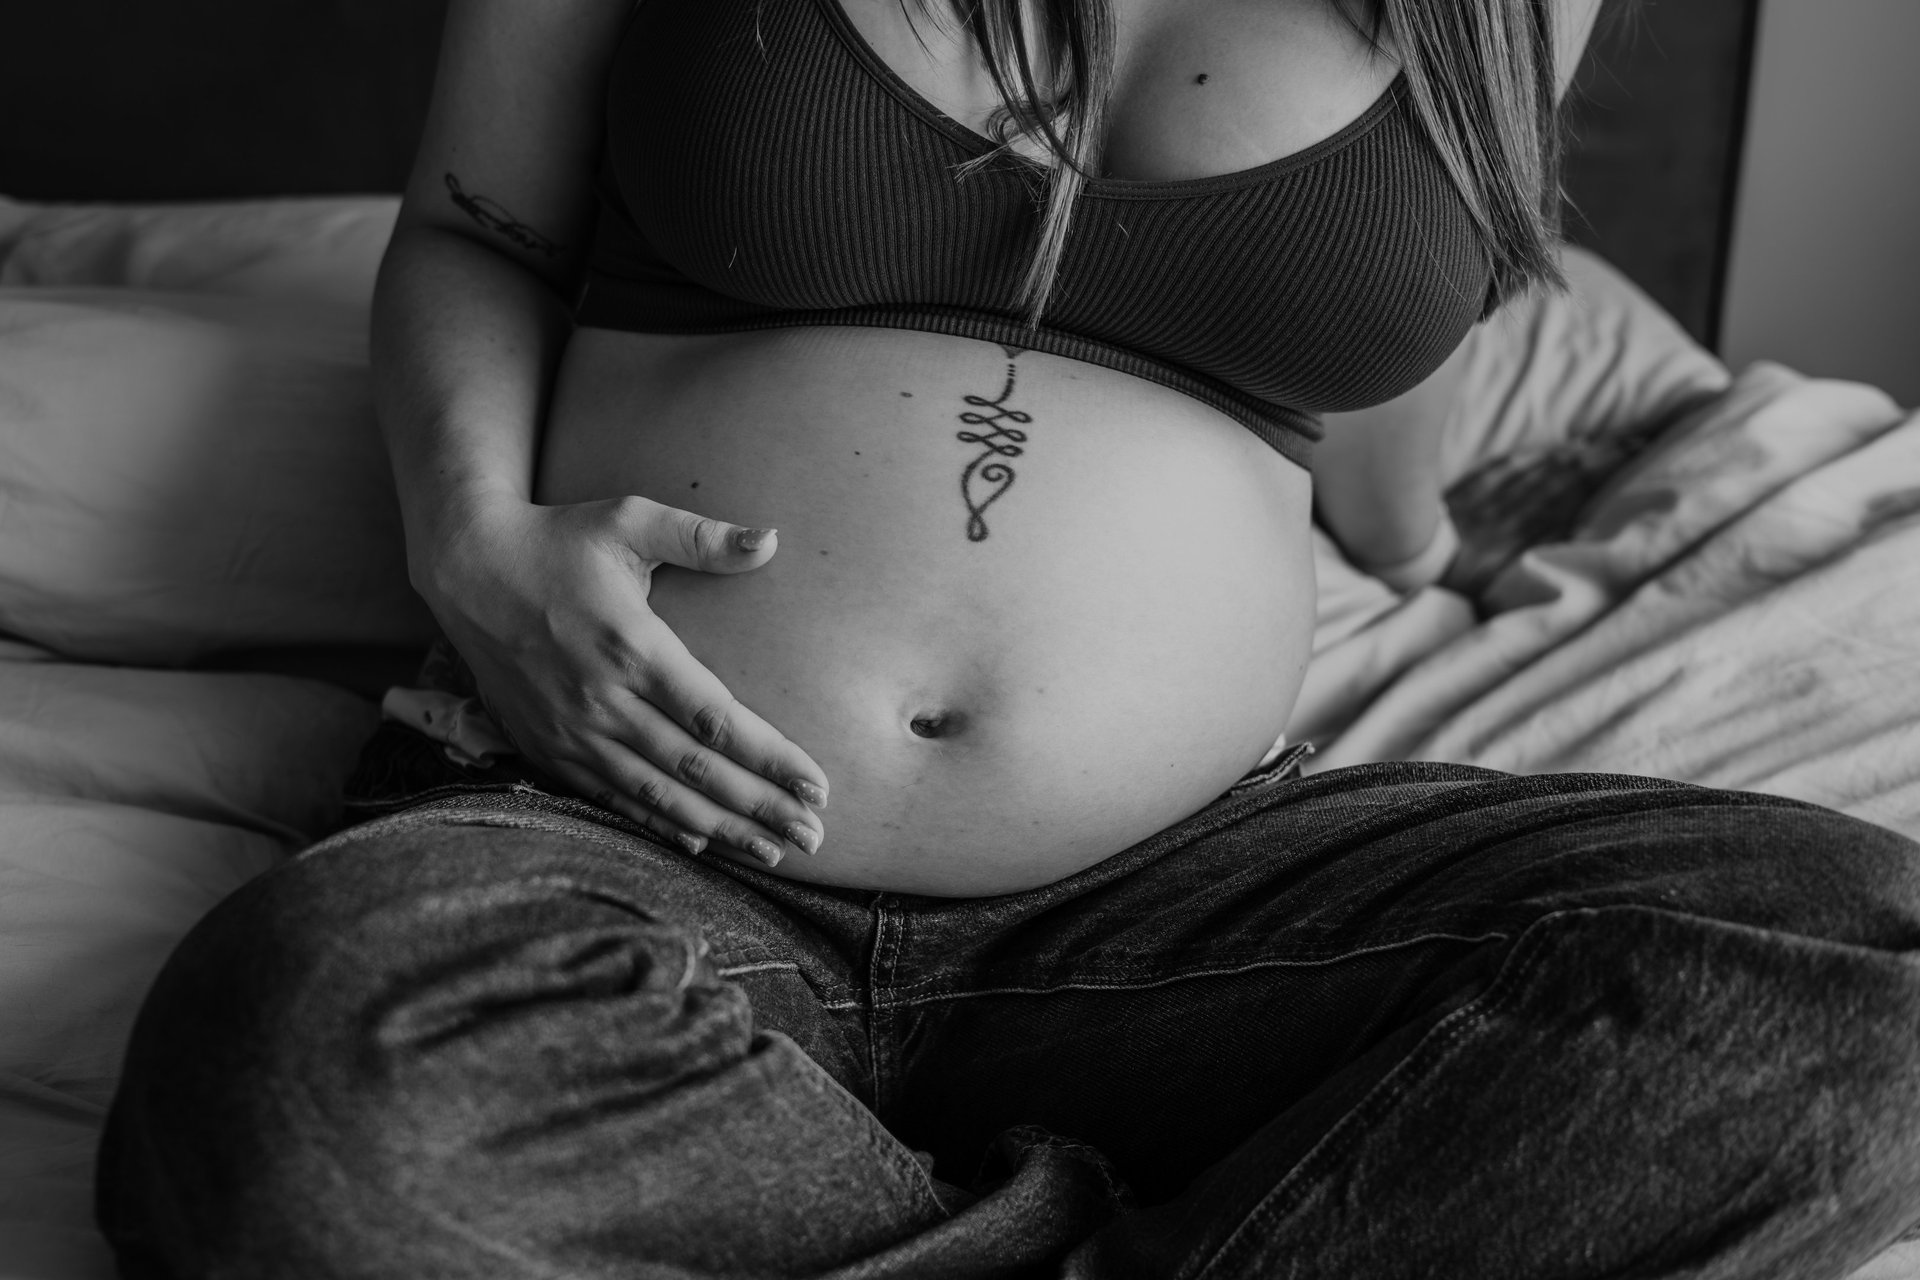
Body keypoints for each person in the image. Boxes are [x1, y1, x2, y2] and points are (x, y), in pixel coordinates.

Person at [96, 1, 1920, 1275]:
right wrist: (473, 547)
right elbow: (470, 233)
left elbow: (1394, 346)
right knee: (312, 1090)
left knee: (1869, 962)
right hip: (626, 823)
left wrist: (1428, 547)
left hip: (1181, 914)